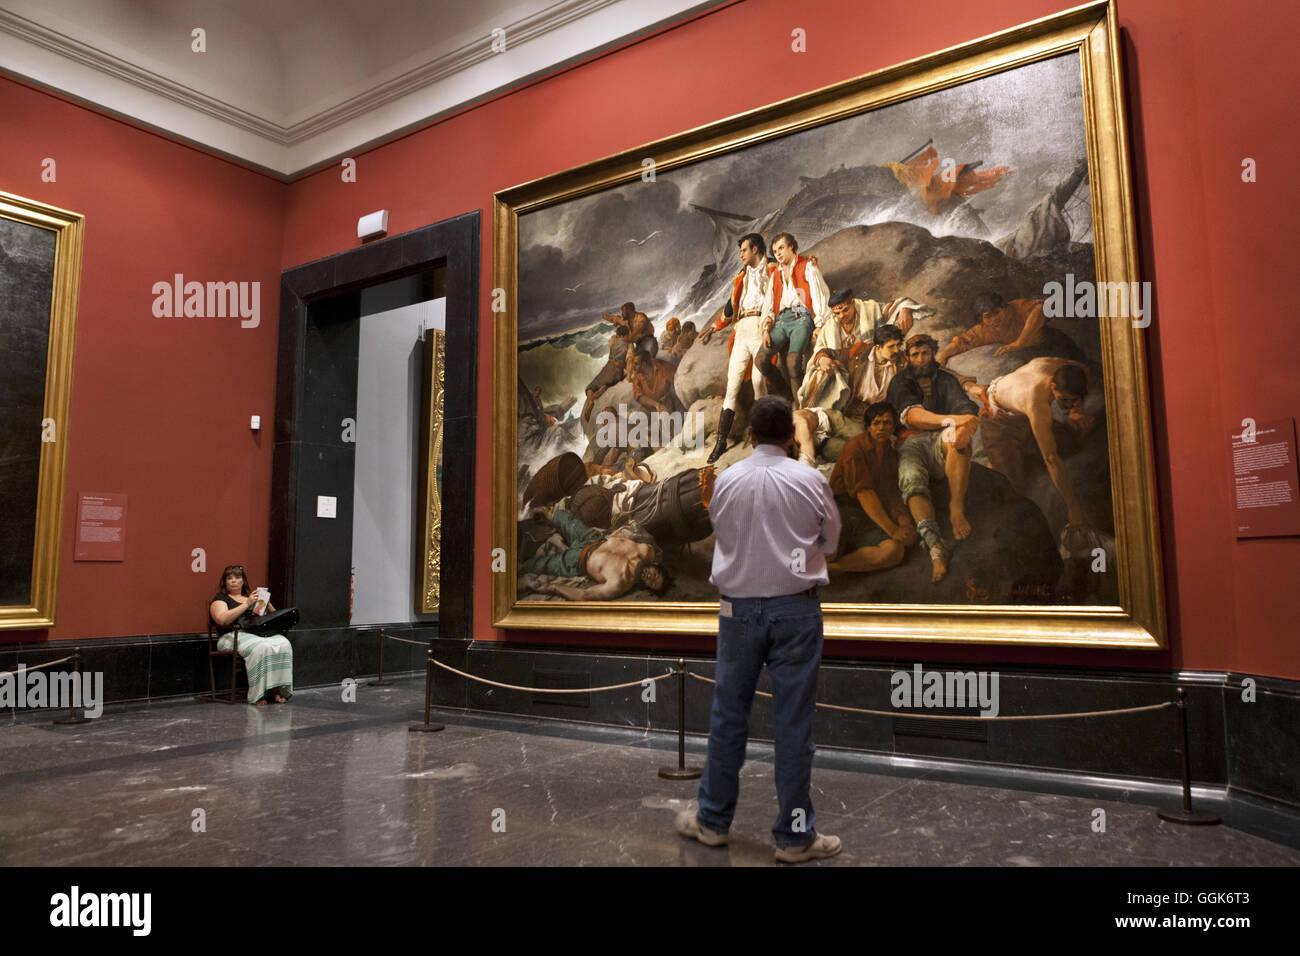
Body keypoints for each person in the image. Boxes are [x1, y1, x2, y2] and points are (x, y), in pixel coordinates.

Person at [676, 396, 843, 863]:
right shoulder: (811, 480)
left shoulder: (727, 480)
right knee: (793, 724)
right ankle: (794, 839)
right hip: (796, 613)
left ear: (749, 435)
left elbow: (720, 530)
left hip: (737, 613)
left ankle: (711, 822)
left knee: (728, 718)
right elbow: (831, 539)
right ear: (792, 435)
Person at [886, 334, 981, 583]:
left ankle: (956, 507)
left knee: (957, 439)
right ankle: (935, 547)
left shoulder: (946, 379)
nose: (920, 359)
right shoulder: (900, 382)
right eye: (915, 355)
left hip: (942, 438)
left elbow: (967, 410)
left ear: (932, 353)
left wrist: (961, 429)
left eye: (925, 353)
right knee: (911, 480)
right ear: (907, 357)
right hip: (911, 441)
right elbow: (913, 416)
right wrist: (955, 420)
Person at [968, 357, 1097, 525]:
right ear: (1052, 386)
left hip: (1025, 418)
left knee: (1072, 442)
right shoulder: (1037, 402)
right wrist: (1072, 507)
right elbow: (1050, 458)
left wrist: (1076, 411)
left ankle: (1017, 455)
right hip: (999, 423)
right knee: (1013, 490)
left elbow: (1085, 370)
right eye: (1064, 400)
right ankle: (995, 464)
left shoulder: (1065, 367)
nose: (1067, 405)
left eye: (1074, 400)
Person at [701, 233, 777, 464]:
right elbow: (730, 308)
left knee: (757, 382)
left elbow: (791, 280)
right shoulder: (740, 278)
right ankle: (721, 441)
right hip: (742, 330)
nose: (741, 255)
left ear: (755, 249)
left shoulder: (773, 268)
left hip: (761, 327)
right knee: (732, 387)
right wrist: (714, 327)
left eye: (744, 250)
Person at [827, 403, 915, 572]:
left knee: (894, 551)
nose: (881, 428)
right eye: (876, 423)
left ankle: (834, 570)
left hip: (867, 518)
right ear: (868, 427)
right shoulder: (855, 448)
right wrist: (893, 529)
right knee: (828, 552)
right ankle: (824, 563)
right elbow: (865, 493)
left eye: (887, 423)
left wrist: (904, 524)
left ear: (894, 426)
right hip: (839, 512)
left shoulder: (891, 454)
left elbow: (892, 495)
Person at [525, 508, 670, 601]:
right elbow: (632, 528)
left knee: (531, 565)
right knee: (556, 514)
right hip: (592, 537)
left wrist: (554, 587)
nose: (650, 578)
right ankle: (539, 516)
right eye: (655, 575)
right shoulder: (646, 550)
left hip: (576, 559)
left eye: (651, 584)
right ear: (655, 565)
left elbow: (584, 595)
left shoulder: (619, 584)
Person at [757, 232, 831, 400]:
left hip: (802, 318)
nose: (778, 254)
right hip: (781, 321)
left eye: (782, 248)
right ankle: (786, 395)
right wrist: (765, 330)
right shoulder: (775, 274)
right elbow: (768, 305)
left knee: (792, 362)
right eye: (775, 251)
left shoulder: (807, 266)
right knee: (761, 360)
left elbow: (819, 294)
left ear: (791, 247)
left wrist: (819, 324)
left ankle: (800, 404)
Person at [209, 564, 293, 706]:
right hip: (231, 636)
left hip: (255, 633)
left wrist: (267, 603)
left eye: (237, 577)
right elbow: (222, 619)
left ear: (243, 581)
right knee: (262, 646)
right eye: (229, 578)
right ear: (225, 582)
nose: (233, 581)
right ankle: (258, 694)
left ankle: (276, 690)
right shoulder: (220, 599)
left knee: (283, 643)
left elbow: (272, 618)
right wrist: (246, 604)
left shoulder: (251, 597)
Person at [936, 292, 1047, 366]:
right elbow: (960, 343)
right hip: (1024, 359)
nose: (994, 319)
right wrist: (941, 357)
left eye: (997, 313)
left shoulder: (1016, 307)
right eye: (988, 316)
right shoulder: (981, 330)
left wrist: (1019, 342)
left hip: (1048, 345)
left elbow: (1041, 308)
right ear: (982, 319)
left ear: (1004, 308)